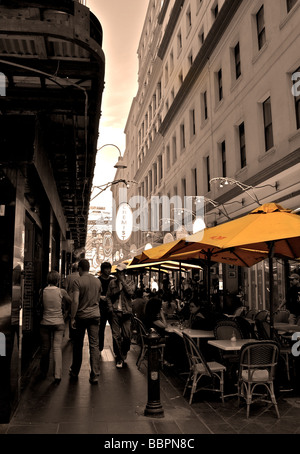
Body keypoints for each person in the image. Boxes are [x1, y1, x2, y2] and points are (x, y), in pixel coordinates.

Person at [69, 259, 101, 384]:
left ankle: (75, 370)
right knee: (94, 345)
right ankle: (95, 374)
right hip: (94, 316)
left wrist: (72, 317)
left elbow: (75, 301)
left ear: (80, 269)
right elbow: (98, 299)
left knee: (78, 345)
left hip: (81, 317)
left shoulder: (78, 281)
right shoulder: (97, 281)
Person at [39, 270, 72, 384]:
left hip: (45, 323)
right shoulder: (61, 291)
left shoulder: (42, 291)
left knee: (45, 348)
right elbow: (71, 301)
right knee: (57, 348)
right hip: (59, 323)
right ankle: (57, 375)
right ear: (58, 280)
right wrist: (66, 312)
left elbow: (40, 305)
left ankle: (43, 372)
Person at [106, 263, 136, 368]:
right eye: (118, 272)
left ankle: (124, 351)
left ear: (124, 273)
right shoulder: (112, 283)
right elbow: (108, 296)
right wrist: (110, 308)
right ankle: (119, 357)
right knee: (116, 336)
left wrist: (123, 281)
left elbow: (131, 293)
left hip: (126, 313)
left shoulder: (130, 282)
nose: (119, 274)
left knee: (127, 336)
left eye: (121, 272)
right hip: (115, 312)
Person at [98, 262, 115, 352]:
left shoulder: (113, 280)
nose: (108, 270)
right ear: (102, 270)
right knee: (101, 330)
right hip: (101, 308)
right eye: (106, 268)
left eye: (109, 268)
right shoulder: (98, 280)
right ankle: (100, 348)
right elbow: (95, 293)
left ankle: (117, 351)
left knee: (115, 331)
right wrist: (100, 297)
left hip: (111, 308)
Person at [63, 262, 79, 341]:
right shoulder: (80, 276)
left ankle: (71, 334)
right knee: (77, 315)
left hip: (69, 298)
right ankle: (77, 333)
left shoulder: (68, 277)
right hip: (78, 298)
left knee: (70, 315)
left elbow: (65, 289)